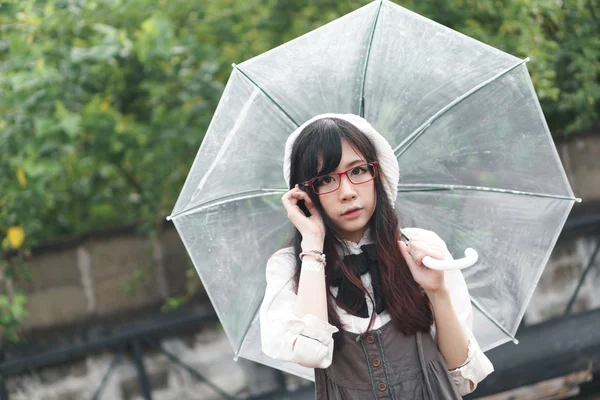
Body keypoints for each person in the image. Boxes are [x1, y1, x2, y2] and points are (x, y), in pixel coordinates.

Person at [260, 113, 494, 399]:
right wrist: (312, 244)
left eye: (357, 171)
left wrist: (437, 291)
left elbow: (462, 379)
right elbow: (311, 353)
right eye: (326, 179)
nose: (347, 192)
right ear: (303, 193)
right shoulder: (290, 269)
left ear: (377, 173)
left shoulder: (421, 249)